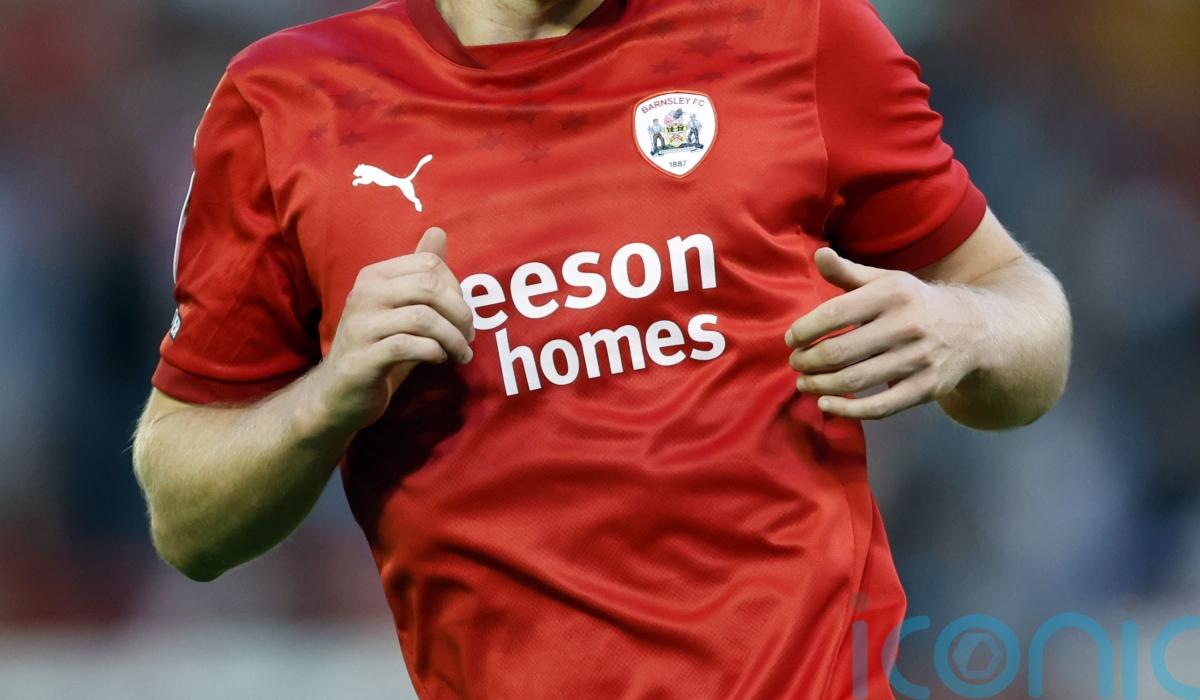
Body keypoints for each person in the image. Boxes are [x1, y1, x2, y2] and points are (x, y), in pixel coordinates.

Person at [131, 0, 1072, 698]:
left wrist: (965, 328)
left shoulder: (795, 32)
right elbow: (185, 519)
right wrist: (329, 398)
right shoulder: (292, 104)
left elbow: (1028, 319)